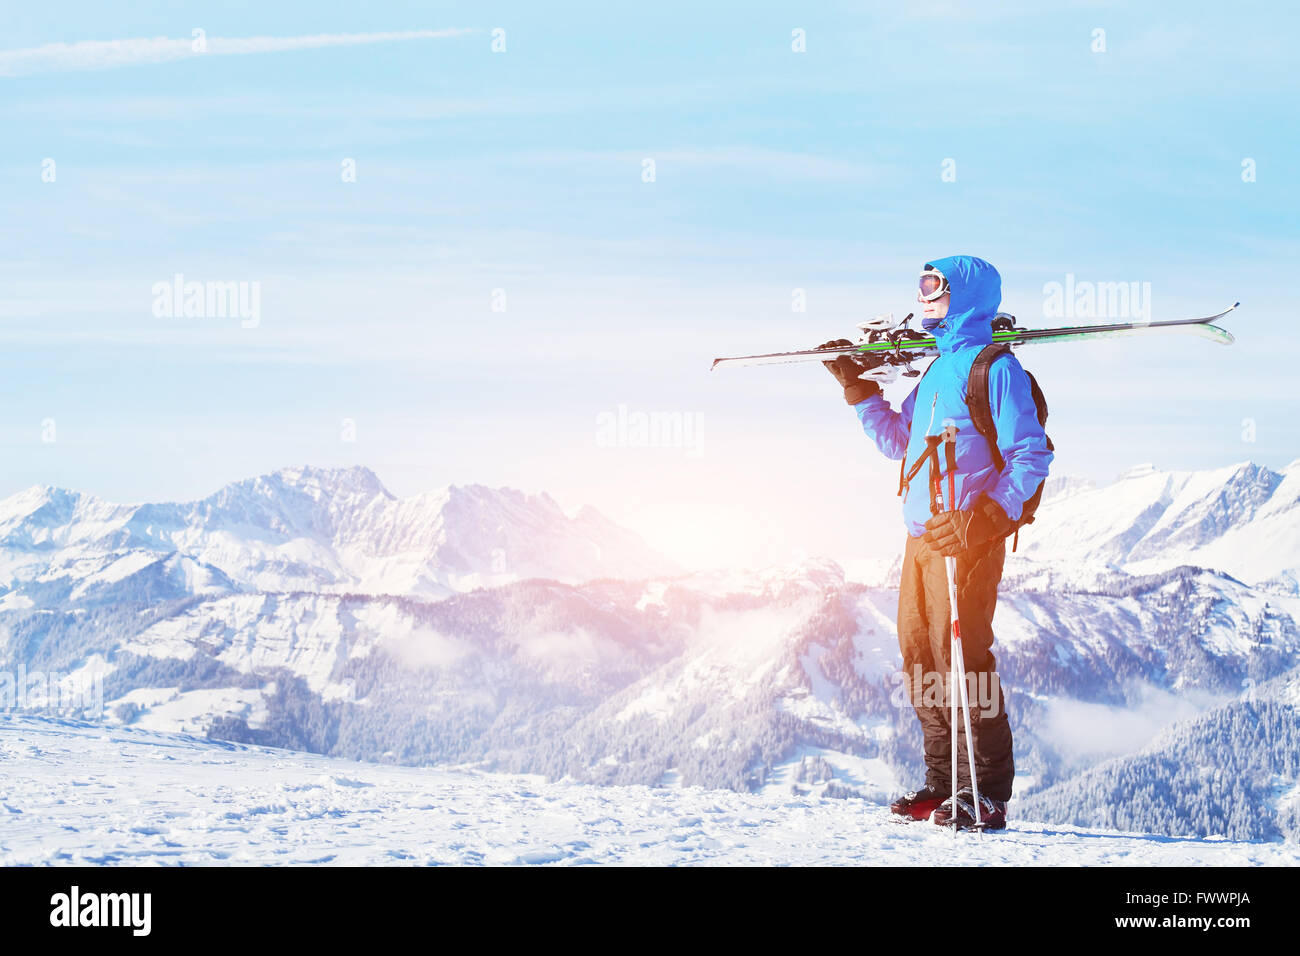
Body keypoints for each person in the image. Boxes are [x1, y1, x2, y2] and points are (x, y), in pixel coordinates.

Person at [820, 255, 1052, 829]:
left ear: (965, 294)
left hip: (968, 540)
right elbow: (898, 442)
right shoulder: (935, 371)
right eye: (921, 287)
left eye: (935, 286)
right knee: (920, 656)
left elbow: (1031, 454)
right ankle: (944, 781)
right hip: (921, 539)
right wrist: (860, 392)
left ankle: (986, 792)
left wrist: (987, 518)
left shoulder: (995, 369)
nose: (925, 297)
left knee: (963, 660)